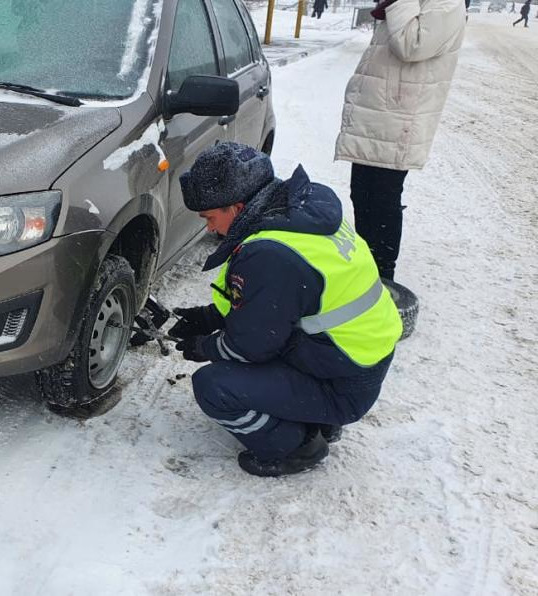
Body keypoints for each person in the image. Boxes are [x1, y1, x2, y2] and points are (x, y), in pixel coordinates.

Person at [170, 143, 402, 477]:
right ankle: (317, 416)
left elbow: (250, 346)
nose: (209, 229)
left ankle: (296, 445)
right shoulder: (300, 213)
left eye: (209, 217)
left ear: (236, 207)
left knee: (214, 385)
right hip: (353, 357)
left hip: (343, 382)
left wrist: (202, 346)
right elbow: (275, 304)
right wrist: (206, 317)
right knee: (258, 347)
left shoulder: (270, 253)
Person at [335, 0, 466, 336]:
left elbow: (412, 45)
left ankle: (382, 284)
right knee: (365, 196)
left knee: (381, 201)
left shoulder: (445, 4)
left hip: (398, 120)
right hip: (382, 118)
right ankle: (368, 277)